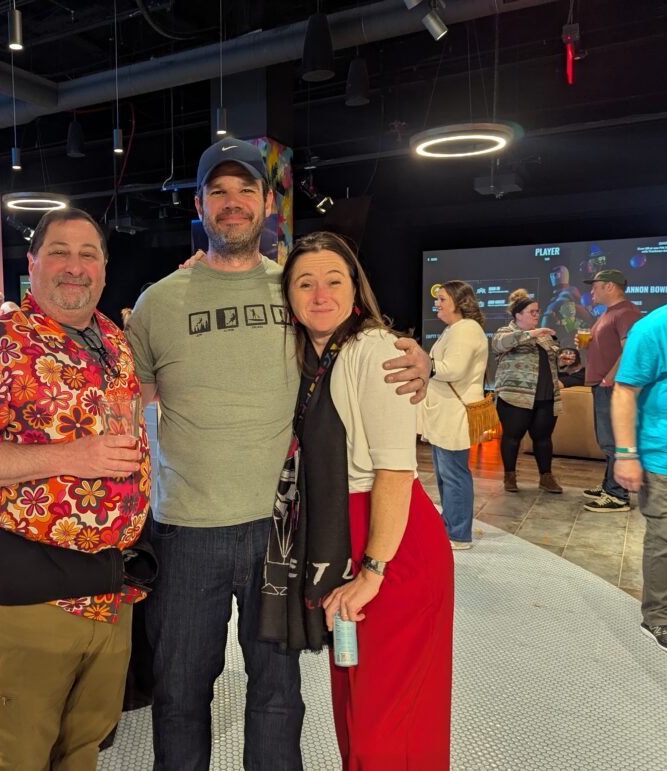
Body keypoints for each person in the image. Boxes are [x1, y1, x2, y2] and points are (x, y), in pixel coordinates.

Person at [126, 137, 431, 769]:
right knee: (179, 694)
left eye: (246, 191)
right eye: (219, 192)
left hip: (281, 527)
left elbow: (353, 342)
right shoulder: (159, 301)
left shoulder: (294, 288)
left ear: (269, 203)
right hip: (186, 530)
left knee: (277, 695)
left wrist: (416, 358)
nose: (232, 204)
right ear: (200, 203)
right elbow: (133, 404)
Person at [0, 208, 151, 768]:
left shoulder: (113, 340)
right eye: (59, 251)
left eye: (88, 254)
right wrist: (75, 456)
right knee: (22, 751)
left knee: (85, 743)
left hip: (110, 584)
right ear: (32, 264)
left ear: (104, 269)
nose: (74, 267)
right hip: (31, 590)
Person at [266, 231, 453, 768]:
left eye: (333, 280)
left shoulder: (375, 352)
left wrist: (373, 570)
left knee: (388, 720)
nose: (320, 294)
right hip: (345, 533)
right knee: (356, 704)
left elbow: (396, 472)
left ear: (356, 290)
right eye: (305, 283)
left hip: (392, 545)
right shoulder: (314, 357)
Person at [612, 298, 667, 656]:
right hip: (666, 458)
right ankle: (660, 617)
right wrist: (626, 454)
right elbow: (625, 390)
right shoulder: (656, 326)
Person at [419, 280, 489, 549]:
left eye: (443, 299)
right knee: (446, 473)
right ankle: (451, 525)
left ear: (459, 303)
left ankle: (458, 534)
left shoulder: (466, 330)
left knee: (454, 474)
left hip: (455, 414)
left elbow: (453, 369)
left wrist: (422, 362)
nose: (437, 302)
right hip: (446, 414)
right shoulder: (455, 329)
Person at [578, 268, 643, 513]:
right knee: (606, 440)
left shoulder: (626, 313)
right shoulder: (609, 313)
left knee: (612, 440)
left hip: (612, 387)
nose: (591, 291)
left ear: (610, 286)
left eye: (595, 286)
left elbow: (630, 349)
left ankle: (617, 495)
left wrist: (609, 378)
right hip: (603, 385)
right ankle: (609, 485)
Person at [491, 289, 563, 493]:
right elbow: (500, 345)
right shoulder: (504, 333)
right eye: (531, 312)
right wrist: (532, 333)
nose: (536, 315)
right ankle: (510, 477)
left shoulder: (545, 338)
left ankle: (546, 477)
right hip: (516, 397)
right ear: (518, 315)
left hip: (546, 397)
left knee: (543, 438)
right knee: (512, 437)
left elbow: (552, 364)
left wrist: (563, 362)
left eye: (537, 311)